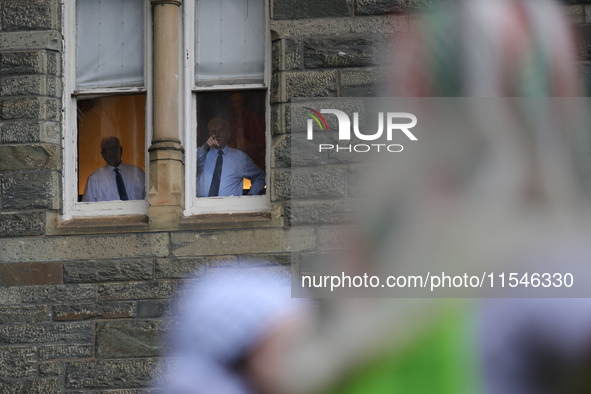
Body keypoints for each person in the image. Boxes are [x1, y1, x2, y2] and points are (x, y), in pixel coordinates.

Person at [197, 118, 265, 197]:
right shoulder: (203, 153)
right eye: (213, 131)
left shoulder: (239, 157)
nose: (217, 135)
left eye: (221, 131)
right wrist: (206, 146)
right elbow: (191, 165)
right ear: (209, 135)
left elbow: (260, 177)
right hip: (201, 206)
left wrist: (251, 195)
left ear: (228, 134)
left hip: (230, 207)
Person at [82, 136, 145, 202]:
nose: (111, 152)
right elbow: (87, 208)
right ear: (102, 154)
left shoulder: (137, 173)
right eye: (106, 150)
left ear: (121, 150)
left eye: (114, 148)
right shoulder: (94, 179)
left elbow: (150, 201)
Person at [229, 92, 266, 170]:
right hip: (234, 160)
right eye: (233, 103)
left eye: (237, 101)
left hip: (252, 158)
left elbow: (262, 142)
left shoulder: (253, 118)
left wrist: (248, 144)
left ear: (242, 101)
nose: (235, 105)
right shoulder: (231, 120)